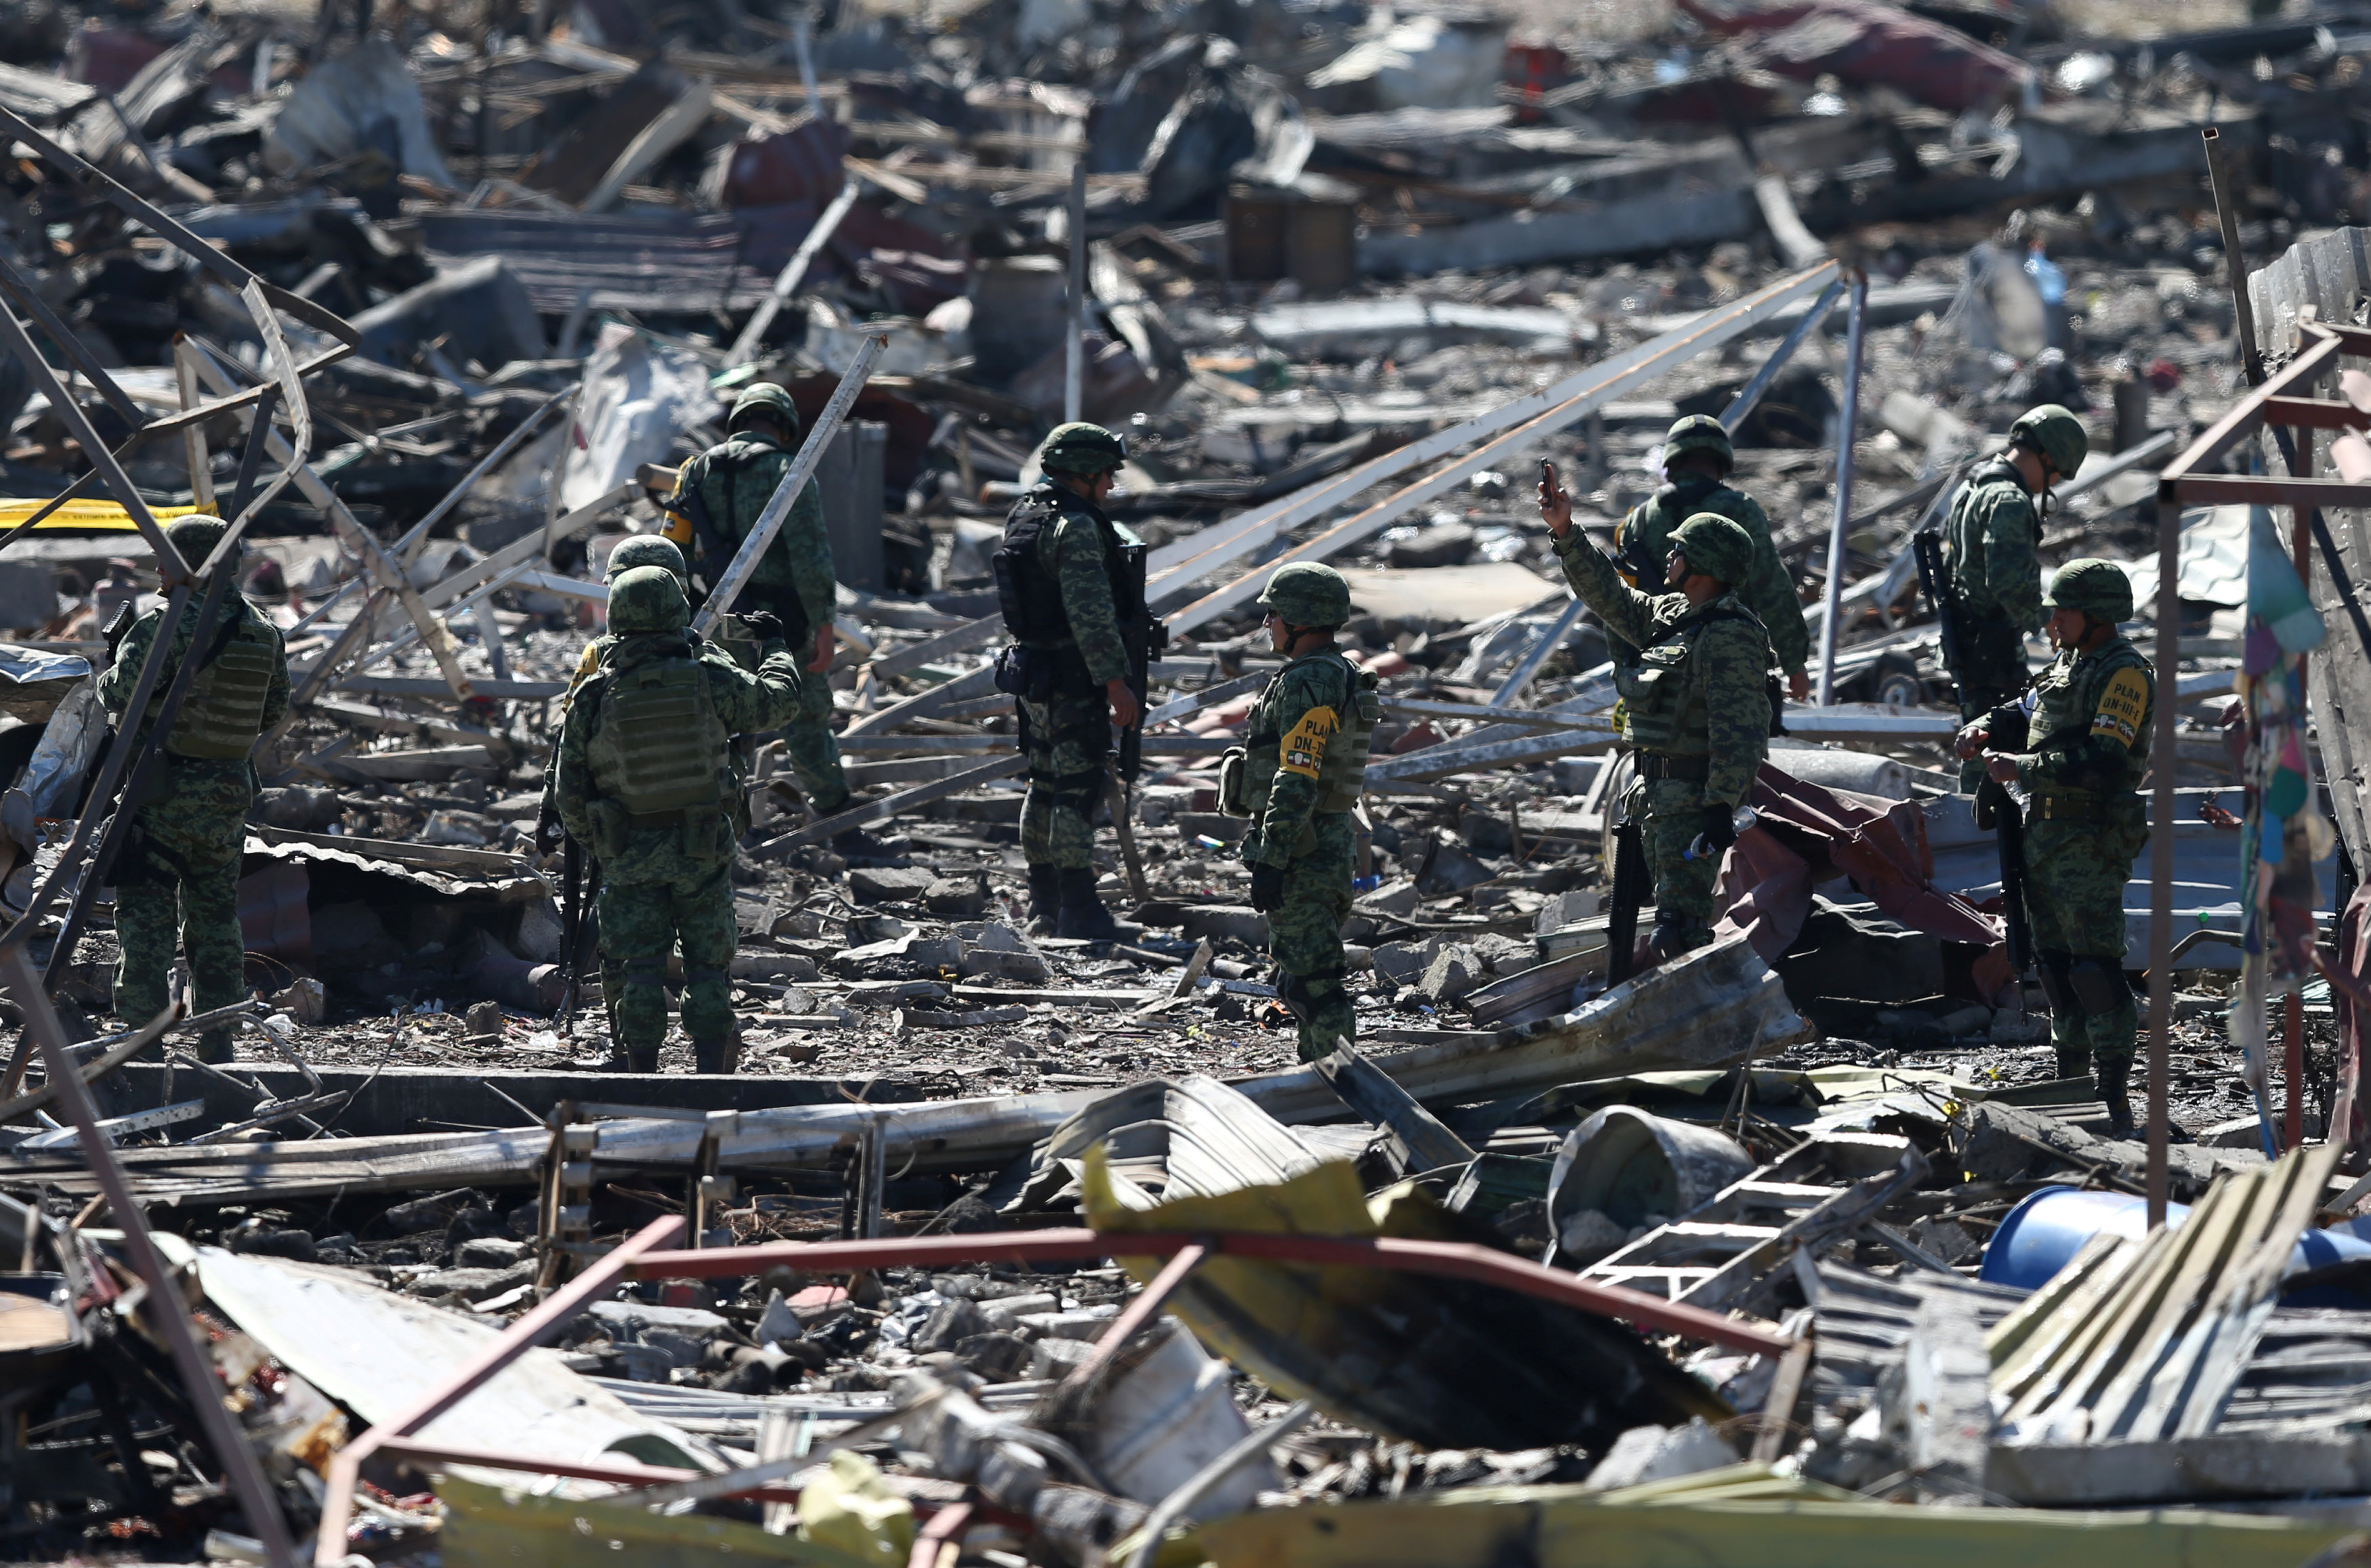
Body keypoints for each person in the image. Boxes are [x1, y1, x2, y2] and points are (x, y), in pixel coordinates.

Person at [552, 566, 801, 1074]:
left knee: (639, 965)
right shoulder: (711, 676)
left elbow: (568, 790)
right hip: (700, 845)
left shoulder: (595, 693)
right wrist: (775, 643)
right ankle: (711, 1071)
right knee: (708, 964)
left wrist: (604, 843)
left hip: (627, 851)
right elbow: (780, 702)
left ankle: (641, 1071)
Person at [1538, 470, 1774, 962]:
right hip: (1653, 796)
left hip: (1691, 803)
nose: (1670, 556)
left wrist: (1719, 808)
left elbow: (1742, 730)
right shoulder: (1672, 614)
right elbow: (1610, 597)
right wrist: (1566, 531)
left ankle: (1693, 1028)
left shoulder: (1731, 634)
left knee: (1680, 928)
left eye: (1680, 549)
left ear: (1705, 565)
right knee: (1641, 919)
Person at [1954, 559, 2152, 1135]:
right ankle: (2072, 1087)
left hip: (2089, 841)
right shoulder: (2070, 664)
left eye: (2062, 611)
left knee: (2095, 967)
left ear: (2096, 615)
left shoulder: (2125, 673)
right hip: (2042, 838)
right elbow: (2024, 710)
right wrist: (1984, 726)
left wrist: (2021, 767)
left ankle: (2113, 1096)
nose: (2052, 622)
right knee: (2058, 968)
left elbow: (2103, 760)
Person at [100, 517, 290, 1062]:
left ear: (191, 564)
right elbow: (272, 710)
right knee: (215, 920)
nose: (158, 569)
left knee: (146, 919)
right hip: (228, 796)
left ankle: (139, 1047)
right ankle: (219, 1038)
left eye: (167, 557)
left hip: (162, 794)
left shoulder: (169, 623)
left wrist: (107, 671)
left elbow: (118, 692)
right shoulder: (262, 629)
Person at [991, 422, 1156, 940]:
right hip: (1072, 678)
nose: (1110, 485)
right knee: (1074, 790)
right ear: (1084, 472)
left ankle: (1047, 905)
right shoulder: (1077, 525)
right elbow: (1090, 614)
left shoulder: (1026, 513)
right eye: (1106, 474)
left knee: (1042, 784)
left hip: (1035, 673)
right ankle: (1079, 910)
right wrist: (1115, 683)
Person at [660, 383, 849, 821]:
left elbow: (672, 548)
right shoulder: (789, 469)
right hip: (783, 624)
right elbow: (811, 555)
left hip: (719, 618)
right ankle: (836, 812)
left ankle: (716, 815)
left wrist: (681, 617)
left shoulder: (695, 470)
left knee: (720, 716)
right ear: (782, 426)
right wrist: (824, 624)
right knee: (805, 717)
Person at [1236, 563, 1378, 1062]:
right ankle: (1322, 1073)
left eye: (1272, 614)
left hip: (1305, 848)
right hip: (1323, 839)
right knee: (1304, 974)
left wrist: (1273, 858)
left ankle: (1332, 1081)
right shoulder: (1331, 671)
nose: (1267, 624)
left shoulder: (1310, 680)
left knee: (1315, 983)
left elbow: (1297, 775)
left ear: (1298, 618)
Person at [1940, 403, 2089, 791]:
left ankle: (1979, 829)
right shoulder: (2008, 500)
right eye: (2056, 474)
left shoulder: (1974, 486)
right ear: (2048, 456)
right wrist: (2049, 624)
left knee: (1984, 741)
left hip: (1974, 642)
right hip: (1991, 649)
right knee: (1993, 750)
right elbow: (2006, 583)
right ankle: (1980, 838)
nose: (2050, 485)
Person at [1614, 415, 1811, 701]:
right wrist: (1795, 665)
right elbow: (1771, 588)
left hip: (1655, 675)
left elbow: (1620, 602)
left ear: (1671, 463)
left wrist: (1623, 669)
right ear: (1721, 464)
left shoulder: (1639, 519)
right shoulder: (1740, 510)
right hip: (1726, 666)